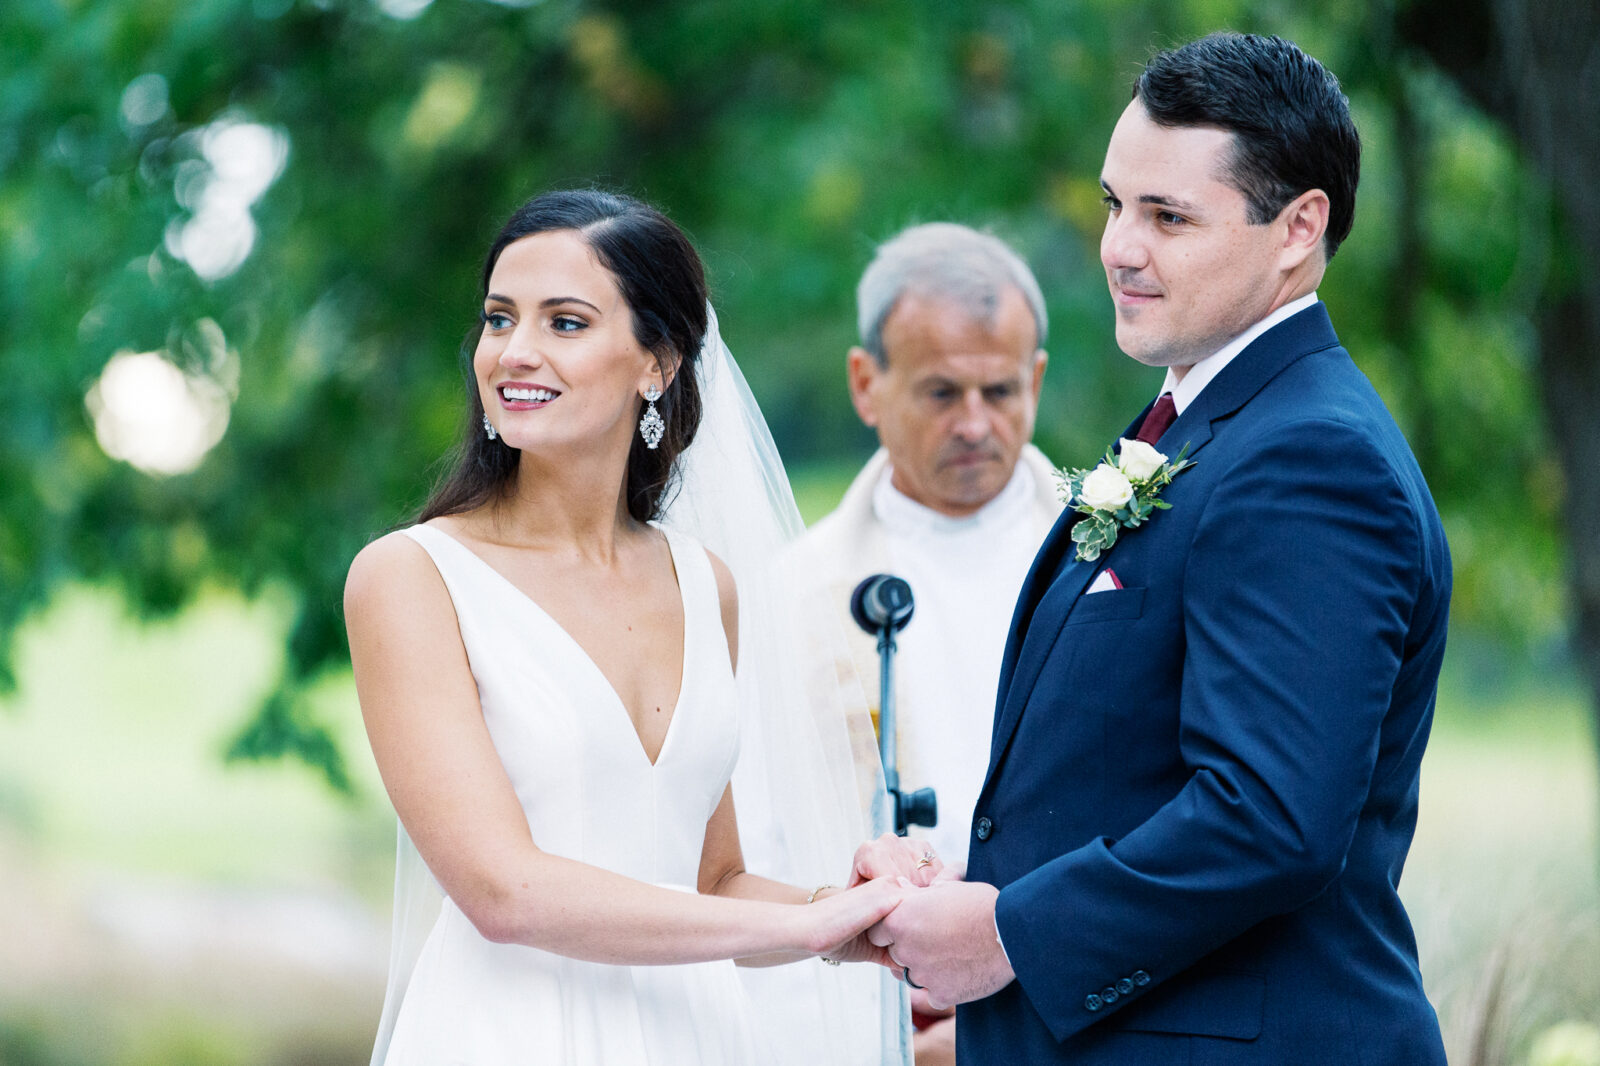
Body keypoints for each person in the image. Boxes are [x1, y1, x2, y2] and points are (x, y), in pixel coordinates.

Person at [860, 33, 1452, 1064]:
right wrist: (963, 893)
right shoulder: (1205, 424)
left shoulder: (1308, 457)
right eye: (1112, 204)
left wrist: (1005, 937)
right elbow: (1125, 773)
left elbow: (1266, 815)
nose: (1119, 247)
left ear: (1296, 229)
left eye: (1167, 216)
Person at [344, 189, 909, 1066]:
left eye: (564, 323)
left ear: (659, 363)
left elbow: (713, 879)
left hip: (698, 1038)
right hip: (508, 1035)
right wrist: (813, 926)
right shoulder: (412, 578)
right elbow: (504, 891)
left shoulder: (702, 584)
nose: (514, 351)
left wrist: (849, 914)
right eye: (500, 319)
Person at [784, 222, 1057, 1064]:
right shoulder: (792, 590)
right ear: (867, 384)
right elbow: (769, 833)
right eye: (942, 393)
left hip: (1067, 995)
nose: (976, 424)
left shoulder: (1117, 551)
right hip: (871, 1011)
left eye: (1001, 391)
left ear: (1036, 379)